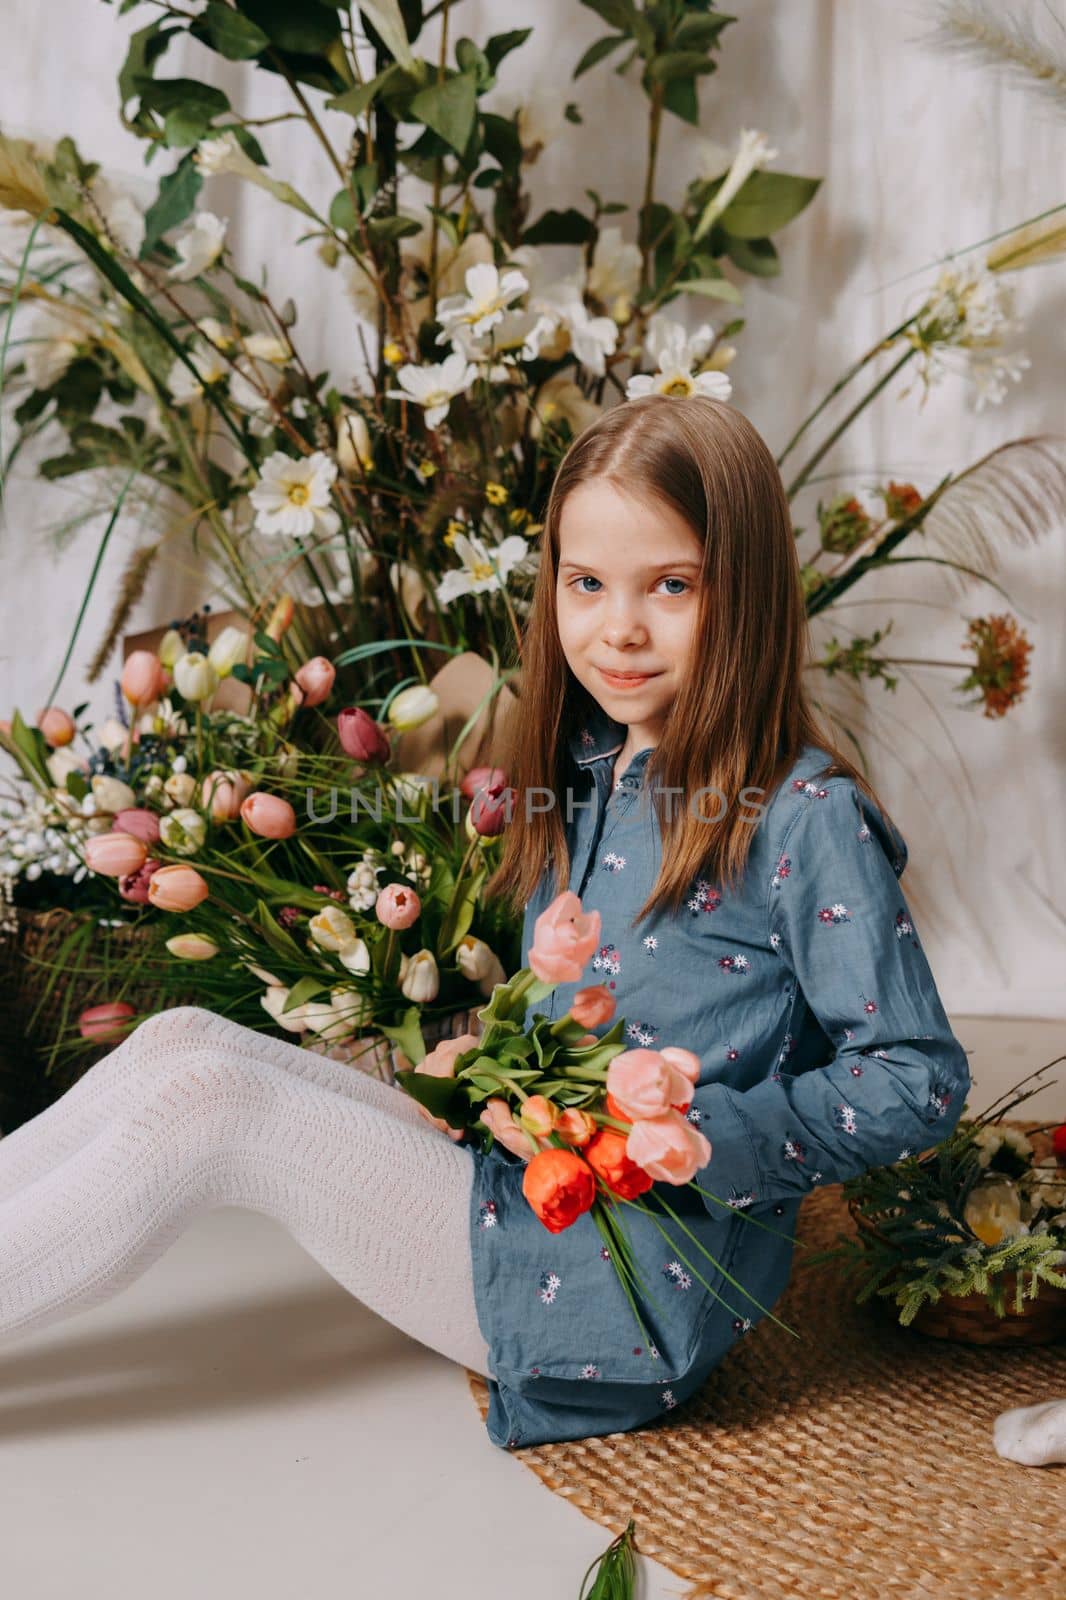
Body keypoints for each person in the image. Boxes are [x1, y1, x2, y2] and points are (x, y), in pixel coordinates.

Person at [0, 391, 970, 1457]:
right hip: (513, 1177)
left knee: (212, 1105)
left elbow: (913, 1075)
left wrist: (702, 1138)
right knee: (183, 1043)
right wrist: (469, 1072)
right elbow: (559, 1003)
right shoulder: (590, 766)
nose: (620, 627)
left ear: (749, 595)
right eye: (587, 582)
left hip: (613, 1279)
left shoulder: (803, 812)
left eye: (673, 586)